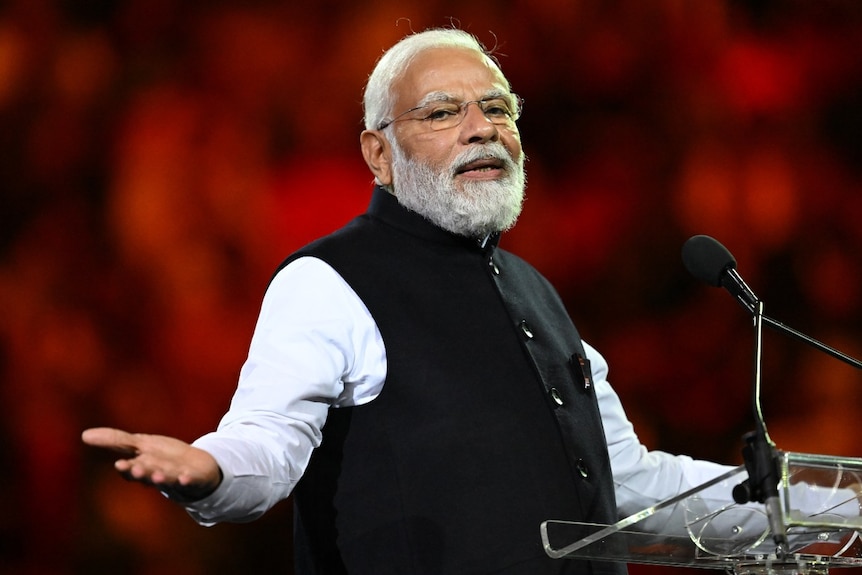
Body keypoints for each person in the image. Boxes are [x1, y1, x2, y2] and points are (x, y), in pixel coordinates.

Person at [82, 28, 745, 574]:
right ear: (380, 154)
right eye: (441, 112)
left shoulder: (536, 292)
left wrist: (820, 506)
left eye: (499, 108)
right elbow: (267, 443)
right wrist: (210, 467)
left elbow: (624, 483)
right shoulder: (326, 280)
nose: (482, 128)